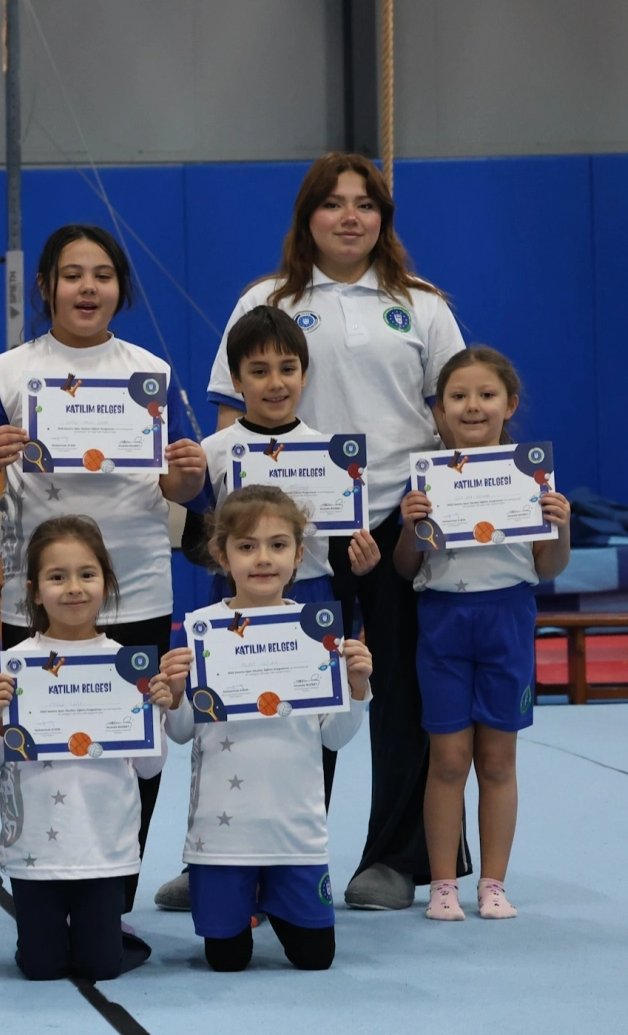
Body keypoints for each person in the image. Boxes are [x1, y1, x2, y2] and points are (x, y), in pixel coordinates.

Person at [205, 153, 468, 911]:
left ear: (383, 218)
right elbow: (231, 417)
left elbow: (458, 411)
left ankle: (394, 857)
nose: (349, 217)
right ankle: (247, 853)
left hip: (396, 520)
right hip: (286, 532)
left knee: (397, 690)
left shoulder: (421, 304)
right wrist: (242, 530)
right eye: (333, 203)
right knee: (277, 690)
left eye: (365, 204)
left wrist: (459, 505)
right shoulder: (266, 299)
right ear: (307, 217)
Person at [0, 224, 207, 912]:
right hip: (38, 600)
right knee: (39, 744)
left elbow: (180, 489)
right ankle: (41, 885)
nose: (87, 288)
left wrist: (188, 475)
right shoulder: (8, 371)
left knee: (130, 746)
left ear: (120, 288)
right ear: (45, 287)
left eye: (102, 275)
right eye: (72, 275)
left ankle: (112, 899)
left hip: (135, 591)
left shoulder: (150, 372)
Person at [159, 307, 384, 910]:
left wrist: (361, 566)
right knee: (224, 732)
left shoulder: (334, 455)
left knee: (308, 738)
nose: (275, 382)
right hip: (233, 606)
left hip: (312, 605)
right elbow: (195, 545)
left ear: (305, 375)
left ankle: (297, 865)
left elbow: (343, 551)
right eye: (258, 371)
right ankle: (216, 863)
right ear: (236, 380)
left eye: (287, 368)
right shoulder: (212, 451)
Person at [154, 486, 374, 971]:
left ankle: (278, 898)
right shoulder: (202, 630)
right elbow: (183, 731)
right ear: (222, 556)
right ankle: (236, 900)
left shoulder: (317, 633)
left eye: (278, 545)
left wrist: (357, 687)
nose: (263, 559)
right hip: (221, 836)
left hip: (295, 832)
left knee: (316, 958)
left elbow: (334, 737)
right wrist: (175, 694)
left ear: (299, 555)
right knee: (227, 961)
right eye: (246, 546)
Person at [393, 347, 570, 920]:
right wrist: (410, 527)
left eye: (486, 395)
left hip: (507, 619)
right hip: (443, 621)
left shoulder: (531, 477)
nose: (473, 406)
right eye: (458, 396)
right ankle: (443, 885)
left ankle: (493, 884)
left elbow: (549, 567)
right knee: (448, 760)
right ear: (439, 409)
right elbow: (405, 569)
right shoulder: (426, 479)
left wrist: (561, 526)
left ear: (509, 405)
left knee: (497, 760)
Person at [0, 516, 169, 982]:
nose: (74, 588)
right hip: (36, 848)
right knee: (40, 968)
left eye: (87, 574)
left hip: (103, 845)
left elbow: (149, 769)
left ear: (107, 582)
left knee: (101, 966)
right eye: (57, 577)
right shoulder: (19, 665)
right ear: (34, 591)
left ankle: (106, 936)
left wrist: (155, 714)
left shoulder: (127, 666)